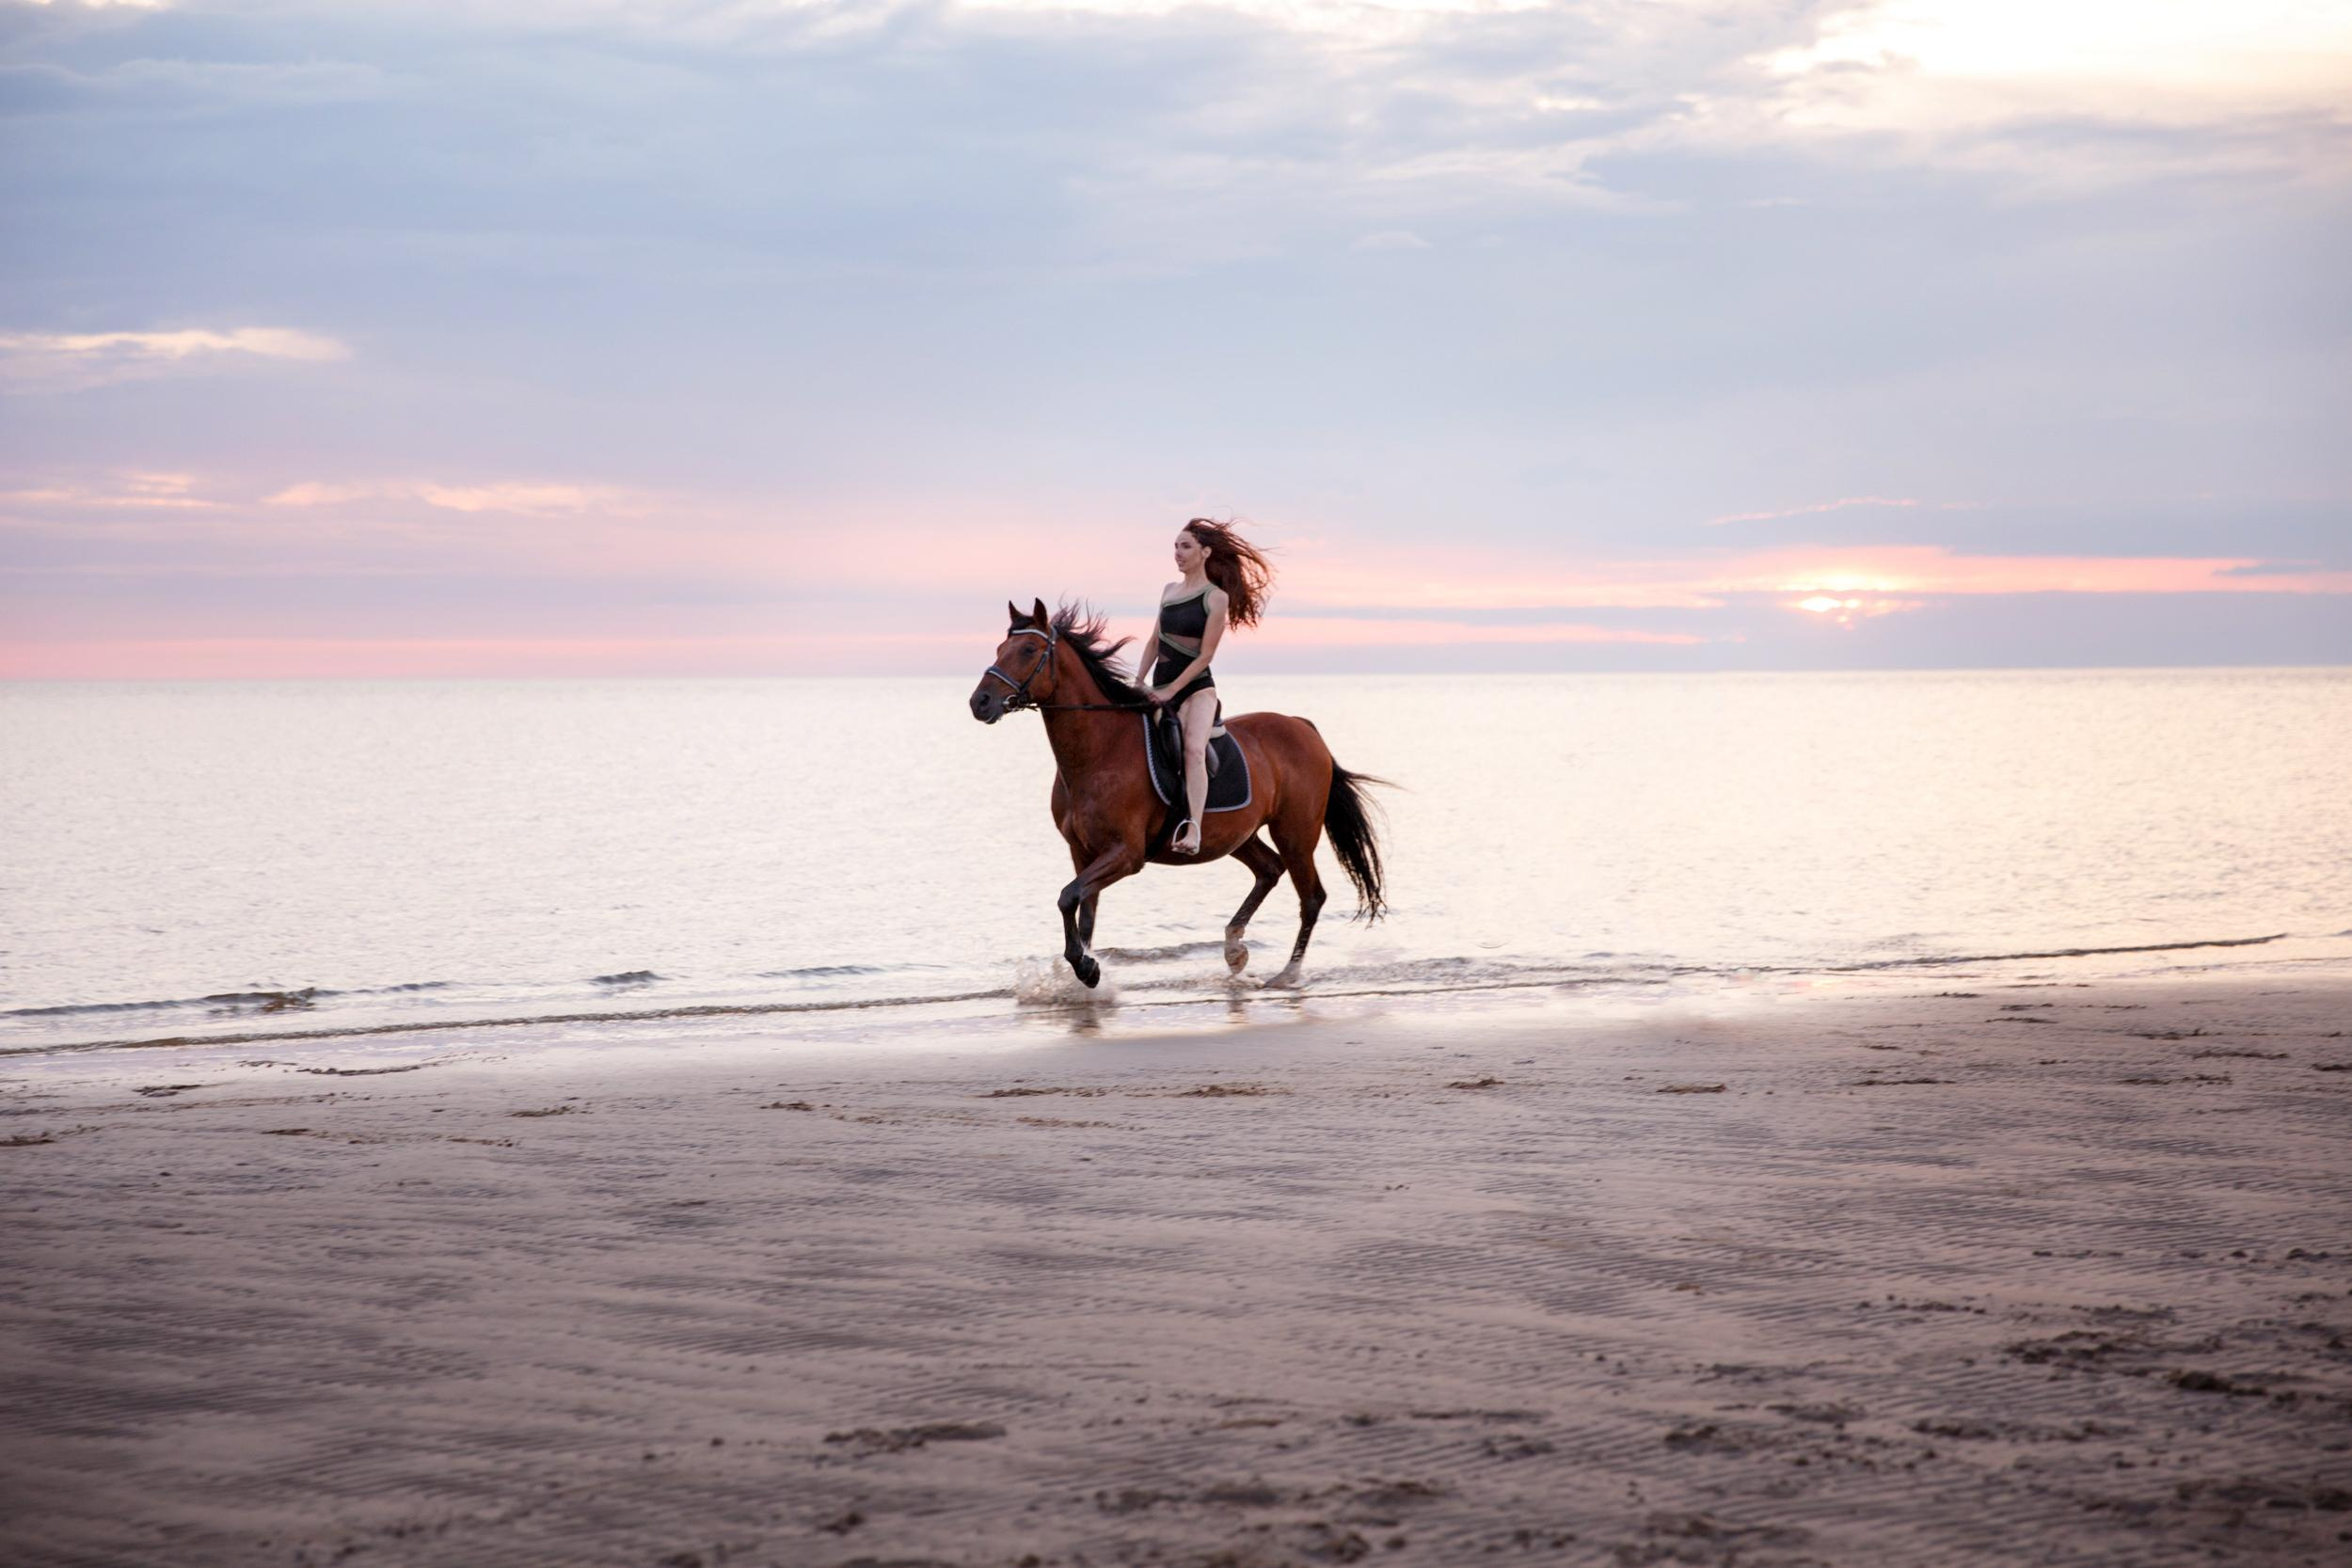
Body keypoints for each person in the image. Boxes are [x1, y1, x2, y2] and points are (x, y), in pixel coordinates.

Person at [1144, 518, 1273, 855]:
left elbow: (1205, 656)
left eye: (1185, 546)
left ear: (1205, 552)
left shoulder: (1215, 598)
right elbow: (1154, 641)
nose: (1177, 553)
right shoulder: (1169, 592)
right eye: (1175, 546)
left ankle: (1194, 827)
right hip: (1159, 685)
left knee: (1193, 749)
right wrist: (1138, 680)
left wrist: (1173, 691)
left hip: (1197, 690)